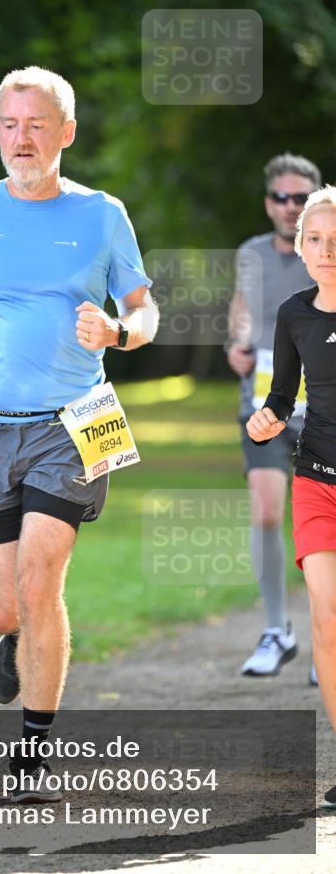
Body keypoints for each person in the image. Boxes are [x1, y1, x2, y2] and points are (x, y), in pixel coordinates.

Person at [0, 66, 158, 802]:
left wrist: (117, 329)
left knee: (41, 575)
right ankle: (15, 638)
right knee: (3, 606)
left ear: (66, 133)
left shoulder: (103, 214)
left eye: (36, 126)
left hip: (80, 420)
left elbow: (145, 309)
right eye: (9, 125)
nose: (21, 139)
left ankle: (30, 757)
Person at [246, 186, 336, 809]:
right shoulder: (293, 314)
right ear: (300, 246)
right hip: (318, 481)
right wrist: (266, 419)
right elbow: (282, 395)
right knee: (328, 620)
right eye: (315, 239)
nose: (327, 251)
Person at [227, 153, 321, 678]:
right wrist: (235, 348)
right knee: (266, 511)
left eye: (300, 199)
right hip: (264, 408)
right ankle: (277, 631)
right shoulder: (251, 254)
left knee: (322, 528)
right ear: (268, 203)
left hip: (324, 411)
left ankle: (325, 636)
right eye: (281, 198)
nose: (290, 207)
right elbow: (241, 316)